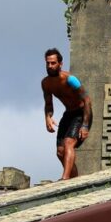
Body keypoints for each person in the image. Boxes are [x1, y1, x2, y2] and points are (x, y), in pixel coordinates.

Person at [41, 48, 92, 180]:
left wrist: (85, 125)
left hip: (81, 114)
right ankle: (74, 181)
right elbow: (48, 104)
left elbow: (87, 100)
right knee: (60, 152)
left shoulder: (70, 79)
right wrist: (48, 118)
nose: (50, 66)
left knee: (69, 143)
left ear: (60, 64)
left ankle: (65, 179)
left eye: (53, 63)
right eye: (48, 63)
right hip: (68, 114)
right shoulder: (46, 83)